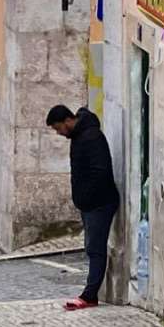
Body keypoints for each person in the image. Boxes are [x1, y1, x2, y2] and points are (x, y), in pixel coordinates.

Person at [47, 105, 120, 311]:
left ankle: (89, 295)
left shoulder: (92, 137)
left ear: (67, 121)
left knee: (95, 249)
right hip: (88, 204)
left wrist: (87, 196)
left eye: (58, 128)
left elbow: (100, 171)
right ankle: (90, 293)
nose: (59, 133)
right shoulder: (79, 137)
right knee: (91, 248)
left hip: (99, 203)